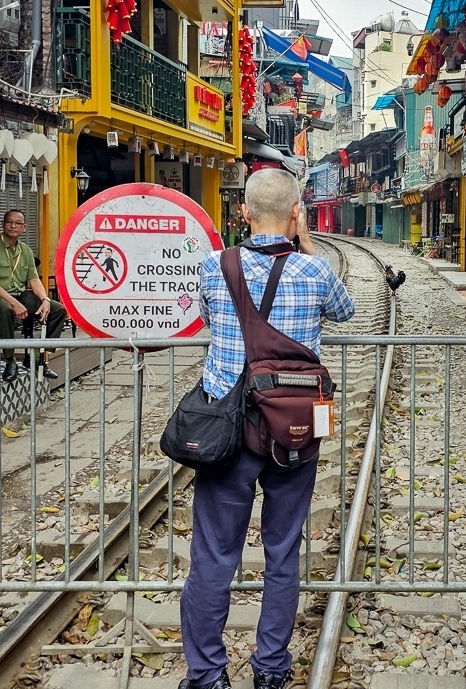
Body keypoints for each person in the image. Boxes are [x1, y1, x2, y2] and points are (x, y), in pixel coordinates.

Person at [179, 168, 355, 689]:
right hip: (294, 431)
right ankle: (271, 669)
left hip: (228, 430)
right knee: (283, 551)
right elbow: (343, 313)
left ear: (244, 213)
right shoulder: (316, 271)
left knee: (213, 553)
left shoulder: (216, 266)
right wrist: (305, 246)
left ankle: (208, 674)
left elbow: (209, 319)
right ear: (297, 213)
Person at [0, 209, 67, 382]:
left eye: (17, 223)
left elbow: (34, 280)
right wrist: (14, 303)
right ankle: (10, 360)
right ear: (3, 224)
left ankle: (36, 358)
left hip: (18, 295)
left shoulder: (26, 251)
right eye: (9, 222)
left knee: (57, 309)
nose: (13, 226)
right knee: (4, 308)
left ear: (24, 227)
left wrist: (45, 300)